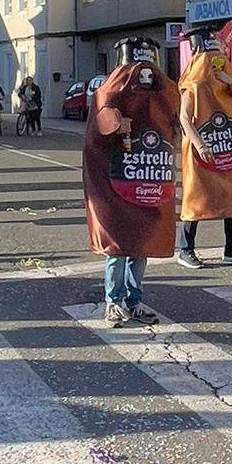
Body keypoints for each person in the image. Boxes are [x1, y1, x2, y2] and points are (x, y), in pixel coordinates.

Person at [83, 35, 179, 326]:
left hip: (145, 178)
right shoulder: (110, 90)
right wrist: (113, 123)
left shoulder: (162, 92)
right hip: (116, 181)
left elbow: (173, 103)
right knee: (118, 245)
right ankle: (113, 301)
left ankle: (134, 300)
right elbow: (98, 129)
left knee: (140, 244)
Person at [177, 26, 232, 268]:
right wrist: (199, 144)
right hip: (202, 147)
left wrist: (230, 81)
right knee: (196, 197)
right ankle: (185, 249)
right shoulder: (193, 84)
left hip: (228, 145)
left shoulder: (226, 82)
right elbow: (184, 118)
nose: (215, 62)